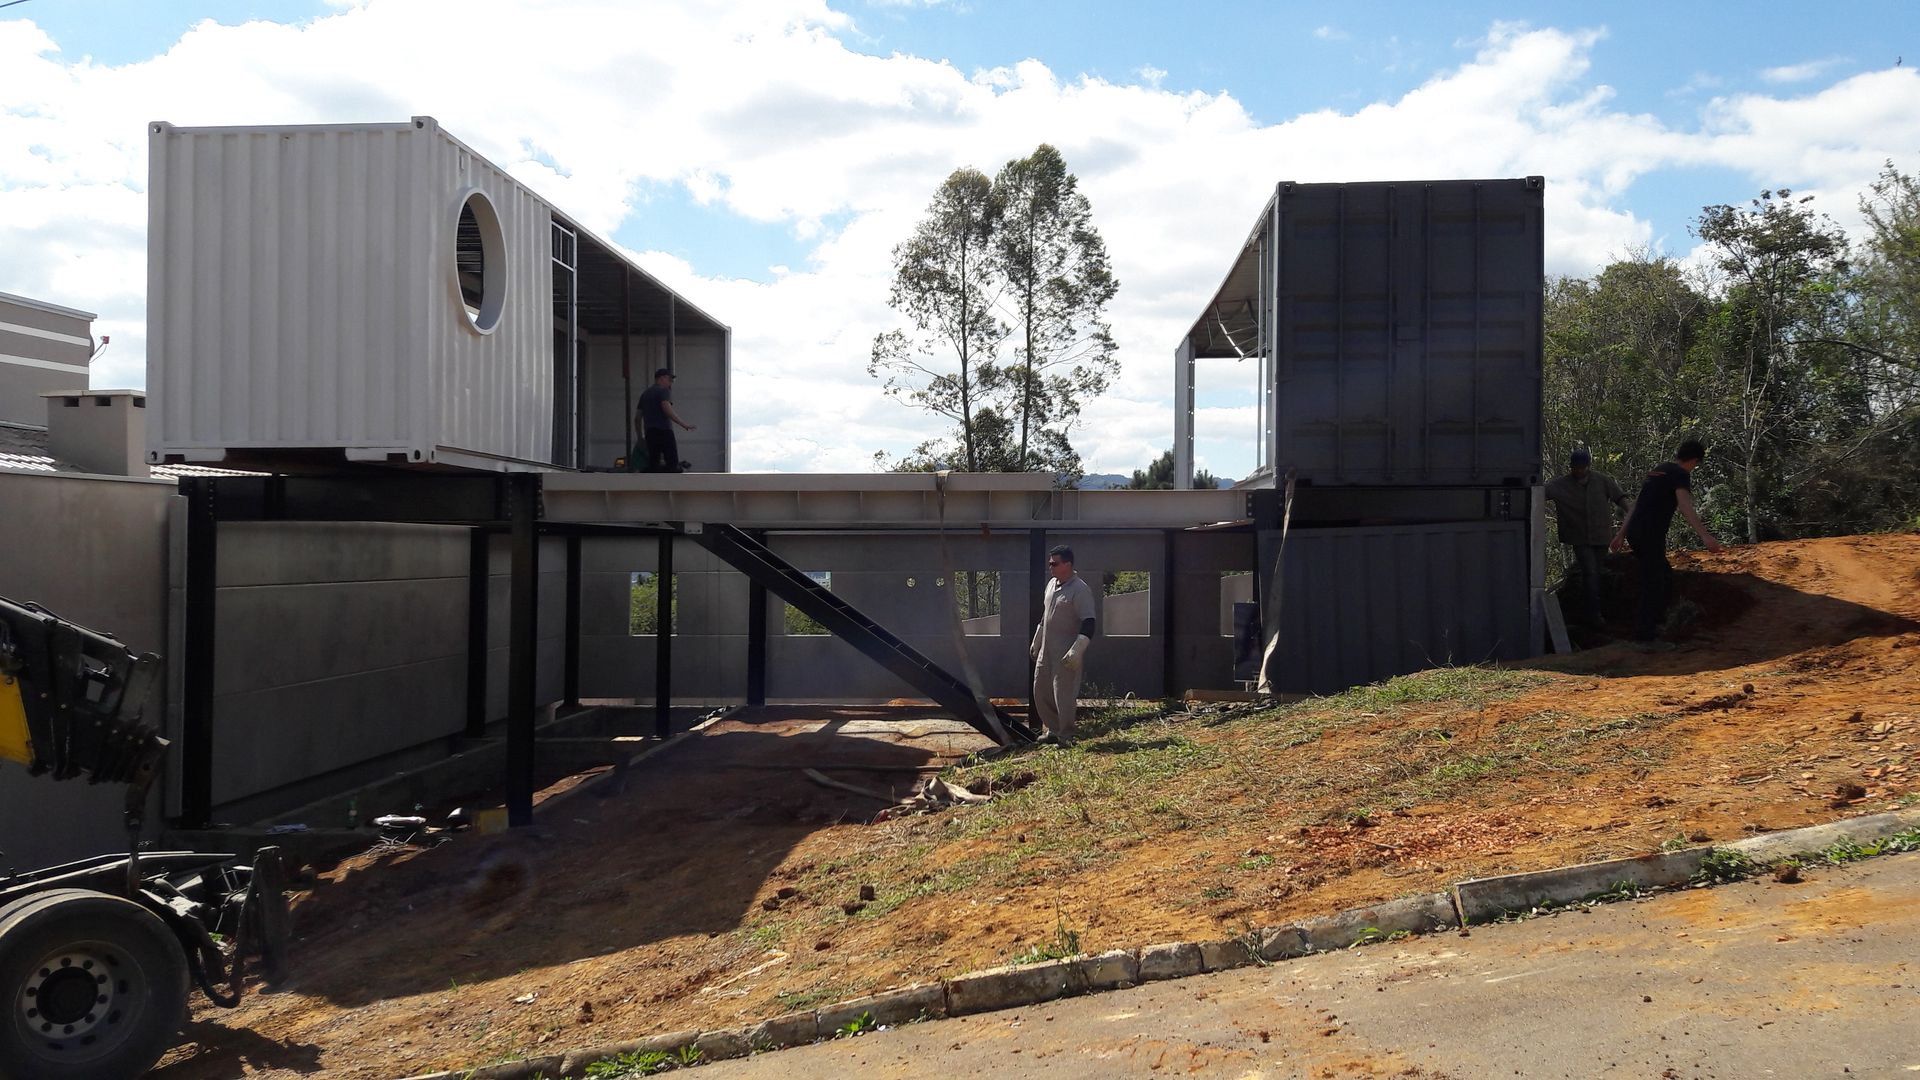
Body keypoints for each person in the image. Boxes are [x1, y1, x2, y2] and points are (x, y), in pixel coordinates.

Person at [1610, 439, 1725, 644]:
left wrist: (1620, 534)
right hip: (1650, 534)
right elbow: (1684, 506)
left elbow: (1636, 505)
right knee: (1653, 582)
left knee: (1663, 575)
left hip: (1636, 532)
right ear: (1694, 460)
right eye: (1696, 464)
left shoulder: (1658, 470)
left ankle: (1657, 623)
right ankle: (1646, 636)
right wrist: (1705, 536)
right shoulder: (1680, 475)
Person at [1544, 447, 1630, 627]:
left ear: (1588, 466)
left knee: (1598, 572)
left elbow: (1620, 497)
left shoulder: (1602, 481)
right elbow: (1539, 493)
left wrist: (1631, 513)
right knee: (1590, 572)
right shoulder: (1560, 485)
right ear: (1571, 467)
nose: (1580, 471)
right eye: (1576, 467)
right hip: (1579, 538)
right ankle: (1593, 615)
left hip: (1601, 536)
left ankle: (1601, 610)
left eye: (1583, 467)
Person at [1029, 545, 1096, 747]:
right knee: (1040, 691)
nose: (1051, 567)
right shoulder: (1051, 584)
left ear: (1067, 564)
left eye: (1054, 563)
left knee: (1063, 695)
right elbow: (1045, 615)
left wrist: (1077, 649)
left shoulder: (1080, 589)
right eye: (1050, 563)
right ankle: (1053, 729)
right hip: (1046, 651)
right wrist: (1037, 639)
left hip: (1066, 653)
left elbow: (1089, 621)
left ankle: (1066, 736)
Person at [633, 367, 695, 473]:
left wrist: (639, 437)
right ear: (661, 379)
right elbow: (666, 409)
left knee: (653, 464)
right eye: (669, 380)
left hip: (650, 433)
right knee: (672, 464)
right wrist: (684, 425)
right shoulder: (663, 391)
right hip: (664, 431)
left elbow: (637, 418)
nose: (670, 383)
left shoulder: (645, 394)